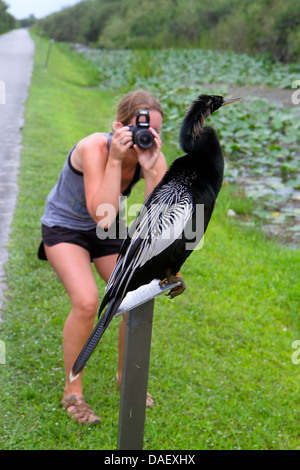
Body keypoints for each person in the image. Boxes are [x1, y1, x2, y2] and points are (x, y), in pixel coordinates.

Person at [38, 90, 167, 424]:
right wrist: (114, 160)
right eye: (140, 130)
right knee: (86, 301)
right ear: (117, 127)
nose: (145, 138)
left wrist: (151, 172)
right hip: (65, 228)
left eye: (154, 132)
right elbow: (103, 216)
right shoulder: (94, 147)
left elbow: (154, 226)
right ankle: (73, 393)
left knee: (136, 297)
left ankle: (128, 378)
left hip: (106, 235)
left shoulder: (152, 157)